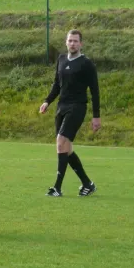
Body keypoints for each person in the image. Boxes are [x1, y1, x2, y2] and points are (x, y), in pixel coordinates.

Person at [39, 29, 101, 197]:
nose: (72, 43)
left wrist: (96, 116)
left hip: (77, 107)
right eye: (70, 40)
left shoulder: (86, 64)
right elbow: (56, 85)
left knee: (61, 141)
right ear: (66, 42)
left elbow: (95, 91)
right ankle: (88, 184)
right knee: (66, 148)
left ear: (81, 44)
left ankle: (57, 188)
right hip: (62, 106)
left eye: (75, 41)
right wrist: (47, 101)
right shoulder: (61, 59)